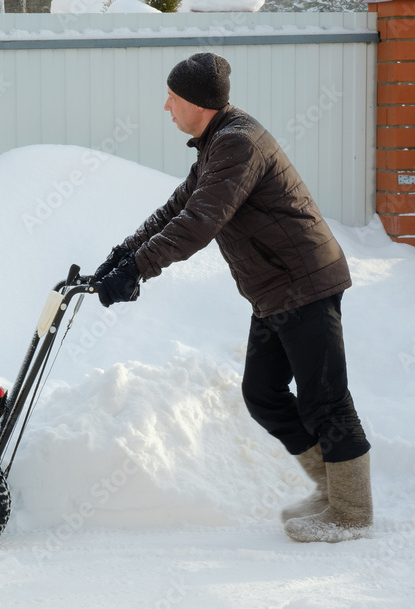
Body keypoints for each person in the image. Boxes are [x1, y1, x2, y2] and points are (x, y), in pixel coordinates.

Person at [93, 52, 372, 543]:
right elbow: (175, 209)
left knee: (325, 397)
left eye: (173, 98)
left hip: (303, 280)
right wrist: (121, 254)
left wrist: (137, 270)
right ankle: (331, 491)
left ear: (198, 104)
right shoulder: (215, 144)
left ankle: (351, 512)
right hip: (275, 289)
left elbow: (200, 223)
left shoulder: (238, 144)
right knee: (262, 393)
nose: (166, 107)